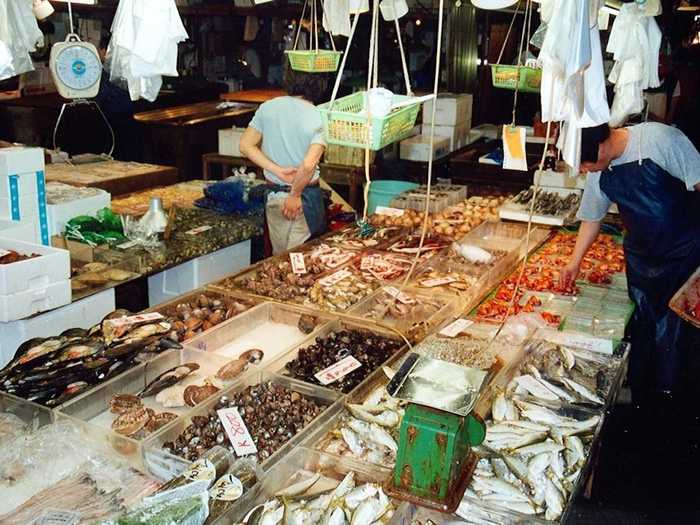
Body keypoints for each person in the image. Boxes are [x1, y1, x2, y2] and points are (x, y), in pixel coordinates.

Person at [560, 121, 700, 403]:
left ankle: (676, 404)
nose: (585, 171)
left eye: (586, 164)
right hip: (641, 259)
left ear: (601, 145)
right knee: (645, 327)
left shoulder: (661, 140)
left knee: (679, 335)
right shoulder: (600, 170)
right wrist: (574, 262)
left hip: (684, 254)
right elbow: (592, 218)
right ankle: (643, 398)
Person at [239, 68, 328, 254]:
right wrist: (295, 194)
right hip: (304, 200)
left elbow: (245, 145)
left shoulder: (268, 107)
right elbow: (309, 164)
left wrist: (277, 170)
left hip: (275, 197)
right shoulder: (321, 116)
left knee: (280, 261)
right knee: (303, 263)